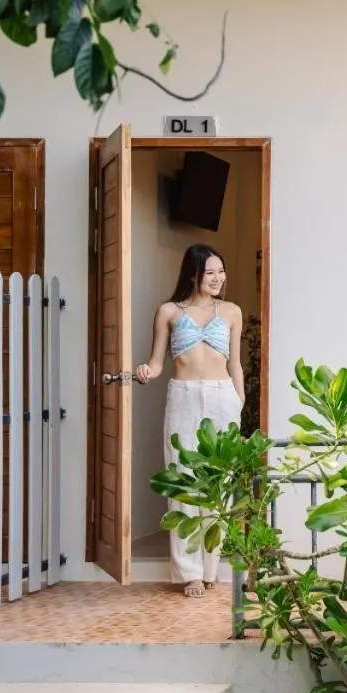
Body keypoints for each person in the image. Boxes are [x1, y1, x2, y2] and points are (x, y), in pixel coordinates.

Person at [135, 243, 245, 597]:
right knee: (183, 481)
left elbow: (235, 363)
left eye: (221, 271)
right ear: (193, 274)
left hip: (222, 396)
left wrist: (239, 402)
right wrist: (145, 371)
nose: (218, 278)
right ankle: (189, 573)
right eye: (210, 272)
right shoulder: (168, 311)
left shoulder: (231, 311)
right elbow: (156, 361)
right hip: (183, 396)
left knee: (218, 484)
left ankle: (210, 567)